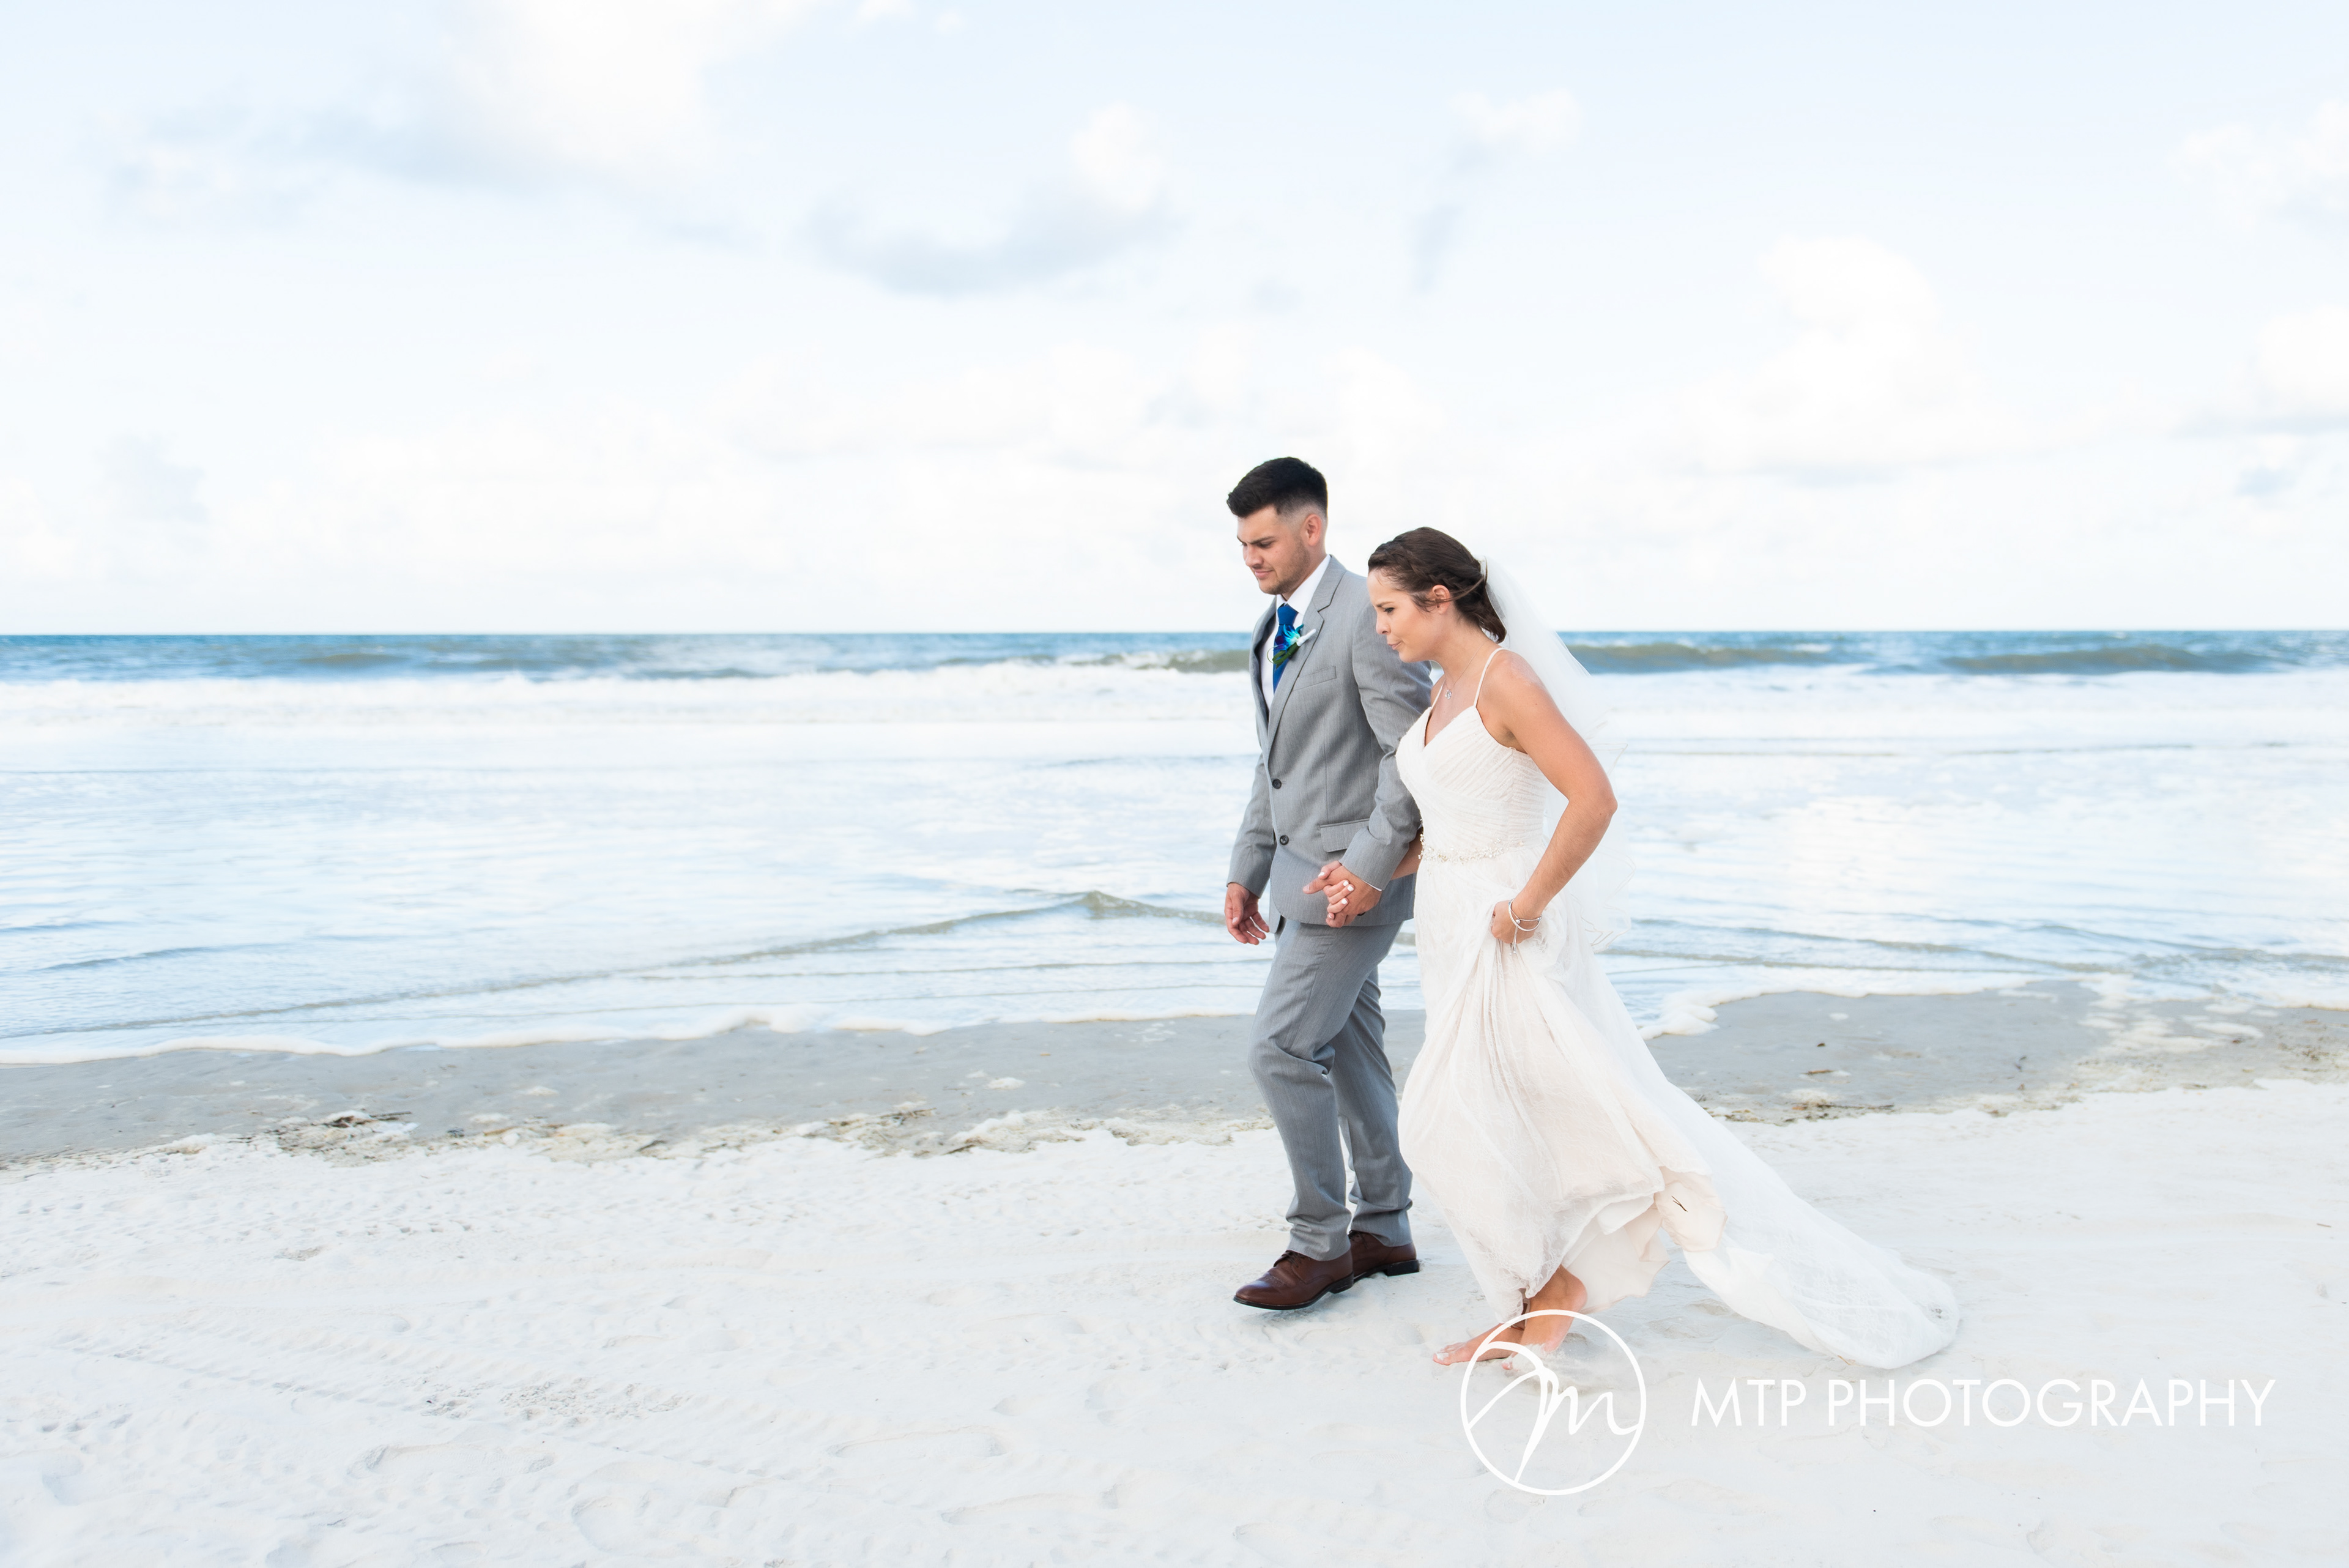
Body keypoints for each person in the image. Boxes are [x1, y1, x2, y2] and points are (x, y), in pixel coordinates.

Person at [1339, 527, 1961, 1370]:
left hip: (1508, 931)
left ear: (1439, 599)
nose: (1380, 627)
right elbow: (1458, 816)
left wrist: (1525, 907)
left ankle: (1557, 1294)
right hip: (1450, 928)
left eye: (1388, 609)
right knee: (1511, 1115)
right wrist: (1374, 875)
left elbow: (1592, 800)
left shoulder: (1505, 679)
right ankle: (1535, 1304)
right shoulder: (1442, 692)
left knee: (1455, 1118)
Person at [1221, 458, 1433, 1310]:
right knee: (1349, 1052)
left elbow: (1409, 755)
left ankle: (1320, 1243)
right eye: (1241, 545)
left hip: (1348, 887)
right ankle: (1383, 1227)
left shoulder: (1365, 620)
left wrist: (1372, 869)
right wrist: (1247, 868)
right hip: (1295, 875)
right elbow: (1276, 768)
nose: (1252, 558)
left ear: (1313, 528)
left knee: (1279, 1050)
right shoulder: (1272, 625)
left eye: (1264, 541)